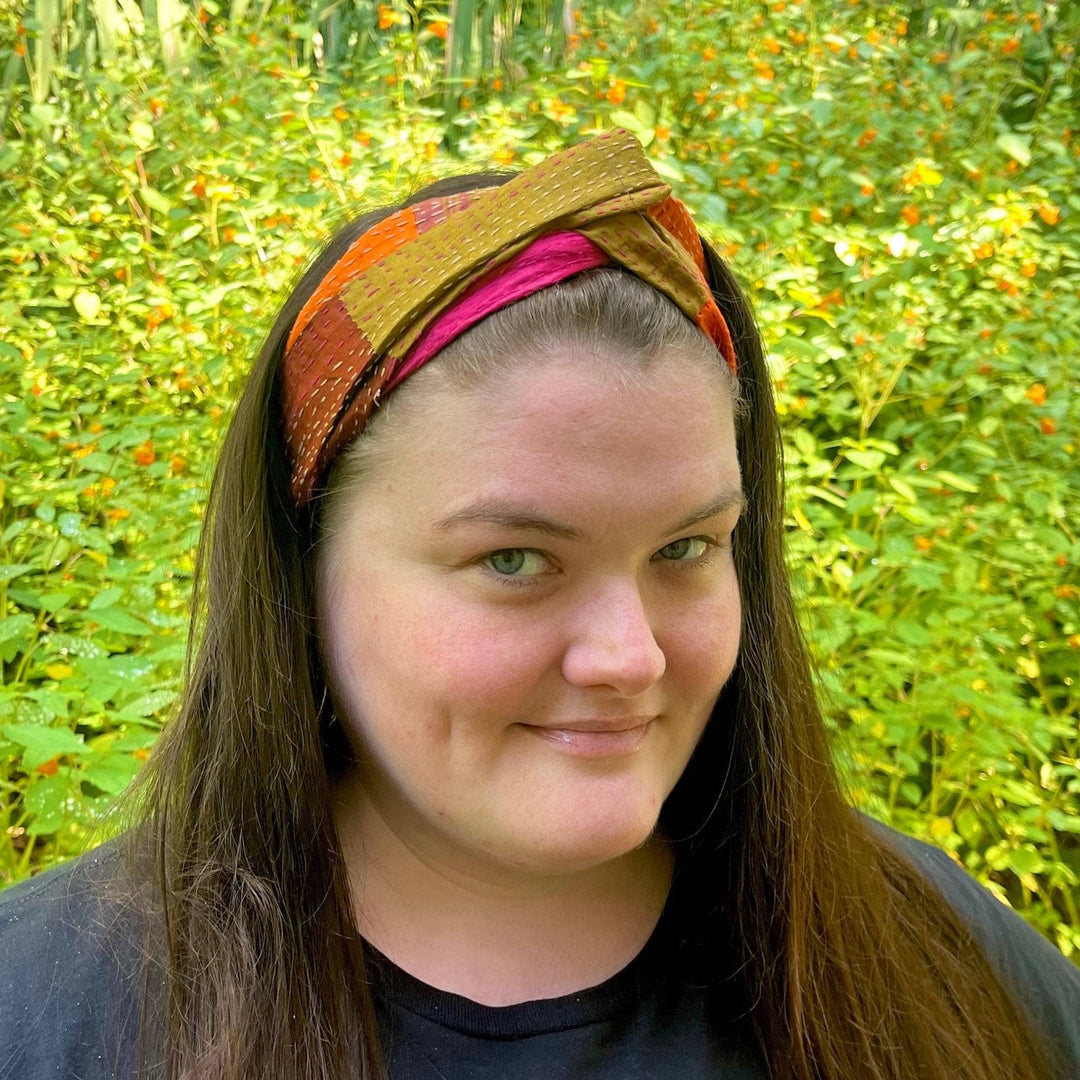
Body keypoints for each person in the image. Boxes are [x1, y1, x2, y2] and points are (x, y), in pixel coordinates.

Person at [1, 128, 1078, 1080]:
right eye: (515, 560)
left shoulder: (929, 953)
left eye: (687, 548)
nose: (631, 658)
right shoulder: (43, 1012)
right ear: (304, 572)